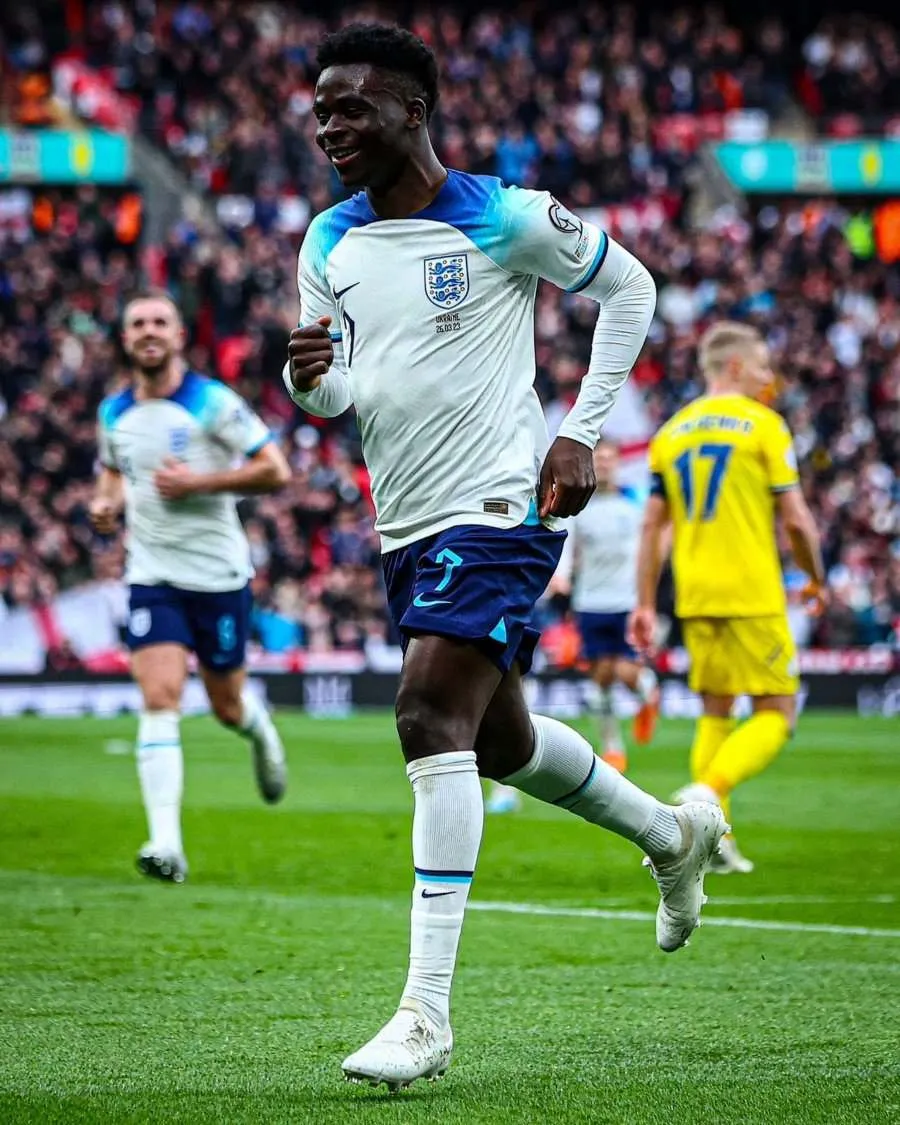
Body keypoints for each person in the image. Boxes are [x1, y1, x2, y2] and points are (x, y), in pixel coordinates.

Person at [285, 24, 726, 1092]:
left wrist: (582, 428)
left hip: (502, 500)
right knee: (498, 744)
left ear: (413, 111)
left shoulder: (504, 215)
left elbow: (632, 289)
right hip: (409, 523)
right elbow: (342, 392)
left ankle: (424, 1017)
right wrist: (306, 382)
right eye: (322, 111)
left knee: (426, 715)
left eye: (352, 107)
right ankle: (672, 836)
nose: (331, 127)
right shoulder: (327, 241)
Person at [90, 290, 291, 884]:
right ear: (126, 340)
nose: (148, 331)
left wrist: (200, 483)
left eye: (159, 322)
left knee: (227, 706)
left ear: (179, 336)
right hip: (151, 576)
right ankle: (166, 846)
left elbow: (275, 469)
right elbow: (113, 472)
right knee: (160, 701)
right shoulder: (112, 412)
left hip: (219, 576)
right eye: (137, 324)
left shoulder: (211, 402)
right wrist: (105, 506)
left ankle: (261, 735)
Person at [628, 321, 826, 875]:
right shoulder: (764, 426)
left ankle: (714, 844)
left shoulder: (671, 432)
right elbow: (797, 519)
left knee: (715, 707)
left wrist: (646, 602)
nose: (769, 377)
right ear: (735, 367)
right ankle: (707, 792)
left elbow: (652, 527)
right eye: (762, 365)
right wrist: (815, 577)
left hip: (694, 592)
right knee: (778, 710)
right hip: (751, 589)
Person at [486, 440, 659, 813]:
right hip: (591, 602)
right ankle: (614, 745)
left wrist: (647, 592)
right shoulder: (581, 509)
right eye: (603, 461)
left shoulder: (635, 504)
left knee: (623, 673)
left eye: (613, 461)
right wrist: (561, 577)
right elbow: (569, 545)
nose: (608, 467)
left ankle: (647, 692)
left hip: (626, 602)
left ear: (619, 466)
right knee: (600, 680)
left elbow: (652, 542)